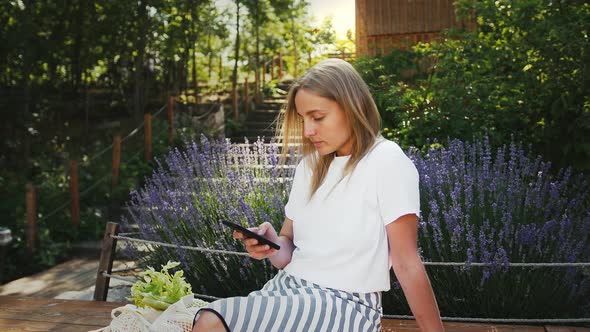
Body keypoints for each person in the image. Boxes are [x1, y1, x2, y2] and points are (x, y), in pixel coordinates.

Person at [192, 58, 444, 332]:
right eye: (303, 119)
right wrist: (271, 243)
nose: (308, 130)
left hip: (346, 305)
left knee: (212, 321)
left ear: (352, 106)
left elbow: (407, 263)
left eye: (318, 117)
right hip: (287, 289)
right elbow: (288, 252)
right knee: (193, 319)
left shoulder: (386, 161)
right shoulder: (310, 166)